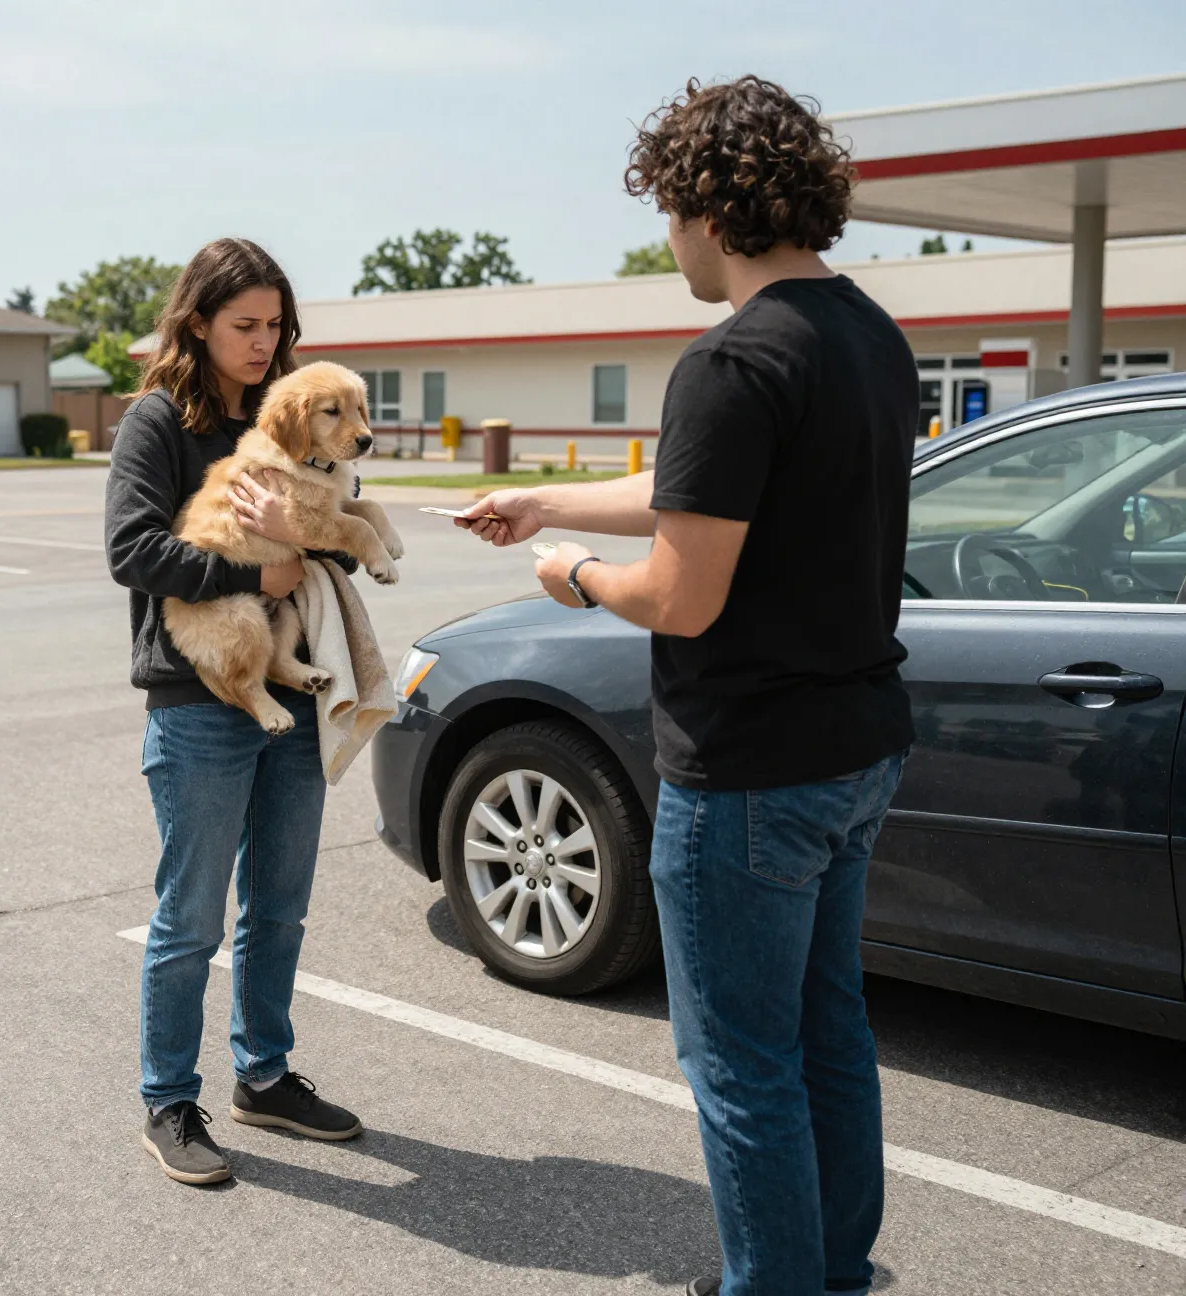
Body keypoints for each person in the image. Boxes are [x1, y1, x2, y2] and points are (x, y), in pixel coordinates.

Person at [460, 77, 916, 1296]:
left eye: (668, 212)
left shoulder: (732, 360)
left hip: (753, 771)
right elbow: (708, 493)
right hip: (857, 748)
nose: (668, 240)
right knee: (828, 1031)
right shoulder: (869, 334)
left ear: (712, 211)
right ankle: (836, 1272)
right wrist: (540, 502)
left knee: (741, 1064)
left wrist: (574, 573)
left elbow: (682, 592)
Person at [104, 237, 363, 1188]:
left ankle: (265, 1076)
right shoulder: (158, 424)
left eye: (276, 327)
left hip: (289, 687)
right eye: (245, 326)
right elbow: (134, 551)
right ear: (200, 322)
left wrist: (326, 507)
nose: (264, 344)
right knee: (192, 917)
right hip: (197, 700)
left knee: (282, 907)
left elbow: (342, 494)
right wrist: (259, 568)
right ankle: (169, 1100)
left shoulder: (292, 412)